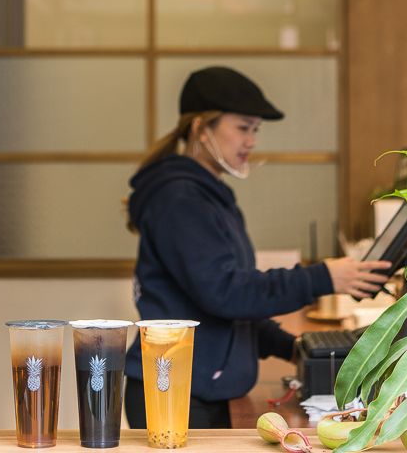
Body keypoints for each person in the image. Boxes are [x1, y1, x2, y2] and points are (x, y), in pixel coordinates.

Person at [123, 66, 391, 429]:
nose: (251, 141)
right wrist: (321, 277)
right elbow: (226, 293)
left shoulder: (210, 196)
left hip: (198, 386)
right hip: (179, 390)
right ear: (202, 129)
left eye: (256, 130)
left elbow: (228, 302)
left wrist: (292, 346)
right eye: (243, 128)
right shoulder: (180, 199)